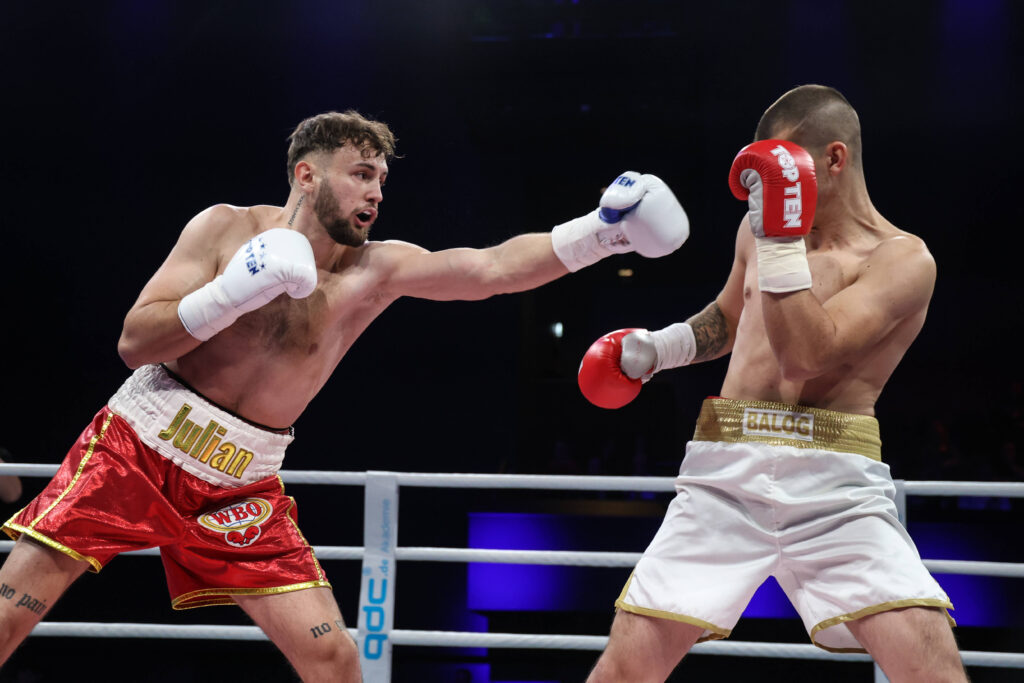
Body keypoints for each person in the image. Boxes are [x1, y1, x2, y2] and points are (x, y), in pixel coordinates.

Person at [0, 110, 689, 681]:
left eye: (383, 179)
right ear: (307, 173)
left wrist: (602, 232)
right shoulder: (224, 228)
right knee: (12, 607)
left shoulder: (374, 271)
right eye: (362, 173)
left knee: (332, 654)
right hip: (139, 447)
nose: (377, 192)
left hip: (240, 481)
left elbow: (490, 269)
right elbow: (135, 340)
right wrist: (231, 292)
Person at [578, 85, 967, 682]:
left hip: (836, 487)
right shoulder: (760, 231)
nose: (772, 186)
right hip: (724, 474)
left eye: (788, 166)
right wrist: (658, 348)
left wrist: (779, 238)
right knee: (625, 670)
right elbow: (733, 317)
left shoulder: (901, 260)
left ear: (834, 159)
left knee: (928, 662)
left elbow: (807, 355)